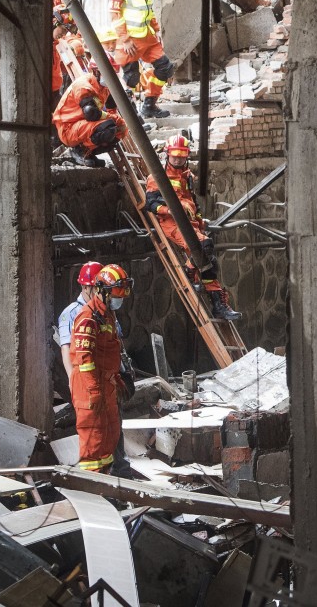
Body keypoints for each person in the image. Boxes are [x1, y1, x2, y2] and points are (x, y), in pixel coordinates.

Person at [144, 135, 241, 321]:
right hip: (172, 224)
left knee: (209, 262)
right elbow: (151, 204)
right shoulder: (157, 177)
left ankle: (218, 304)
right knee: (204, 248)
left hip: (190, 225)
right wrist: (170, 210)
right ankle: (190, 270)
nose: (178, 159)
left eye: (182, 155)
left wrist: (199, 221)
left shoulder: (187, 176)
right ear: (167, 154)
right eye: (175, 155)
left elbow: (192, 203)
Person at [69, 264, 133, 472]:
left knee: (110, 435)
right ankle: (93, 491)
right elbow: (85, 359)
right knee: (93, 441)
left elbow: (108, 353)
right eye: (116, 295)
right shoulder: (87, 318)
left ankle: (106, 486)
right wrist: (95, 391)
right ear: (101, 291)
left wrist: (117, 378)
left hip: (106, 384)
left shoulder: (107, 315)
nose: (119, 300)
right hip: (90, 388)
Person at [109, 0, 172, 119]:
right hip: (129, 41)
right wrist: (125, 39)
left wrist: (157, 30)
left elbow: (149, 11)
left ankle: (149, 106)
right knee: (131, 78)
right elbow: (114, 14)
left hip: (147, 37)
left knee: (165, 68)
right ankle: (132, 117)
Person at [52, 60, 127, 168]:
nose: (112, 77)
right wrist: (112, 118)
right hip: (68, 128)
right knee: (108, 127)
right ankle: (78, 150)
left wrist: (118, 122)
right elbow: (91, 114)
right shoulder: (83, 86)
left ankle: (88, 152)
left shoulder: (105, 87)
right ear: (96, 72)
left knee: (121, 129)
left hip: (84, 125)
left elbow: (112, 108)